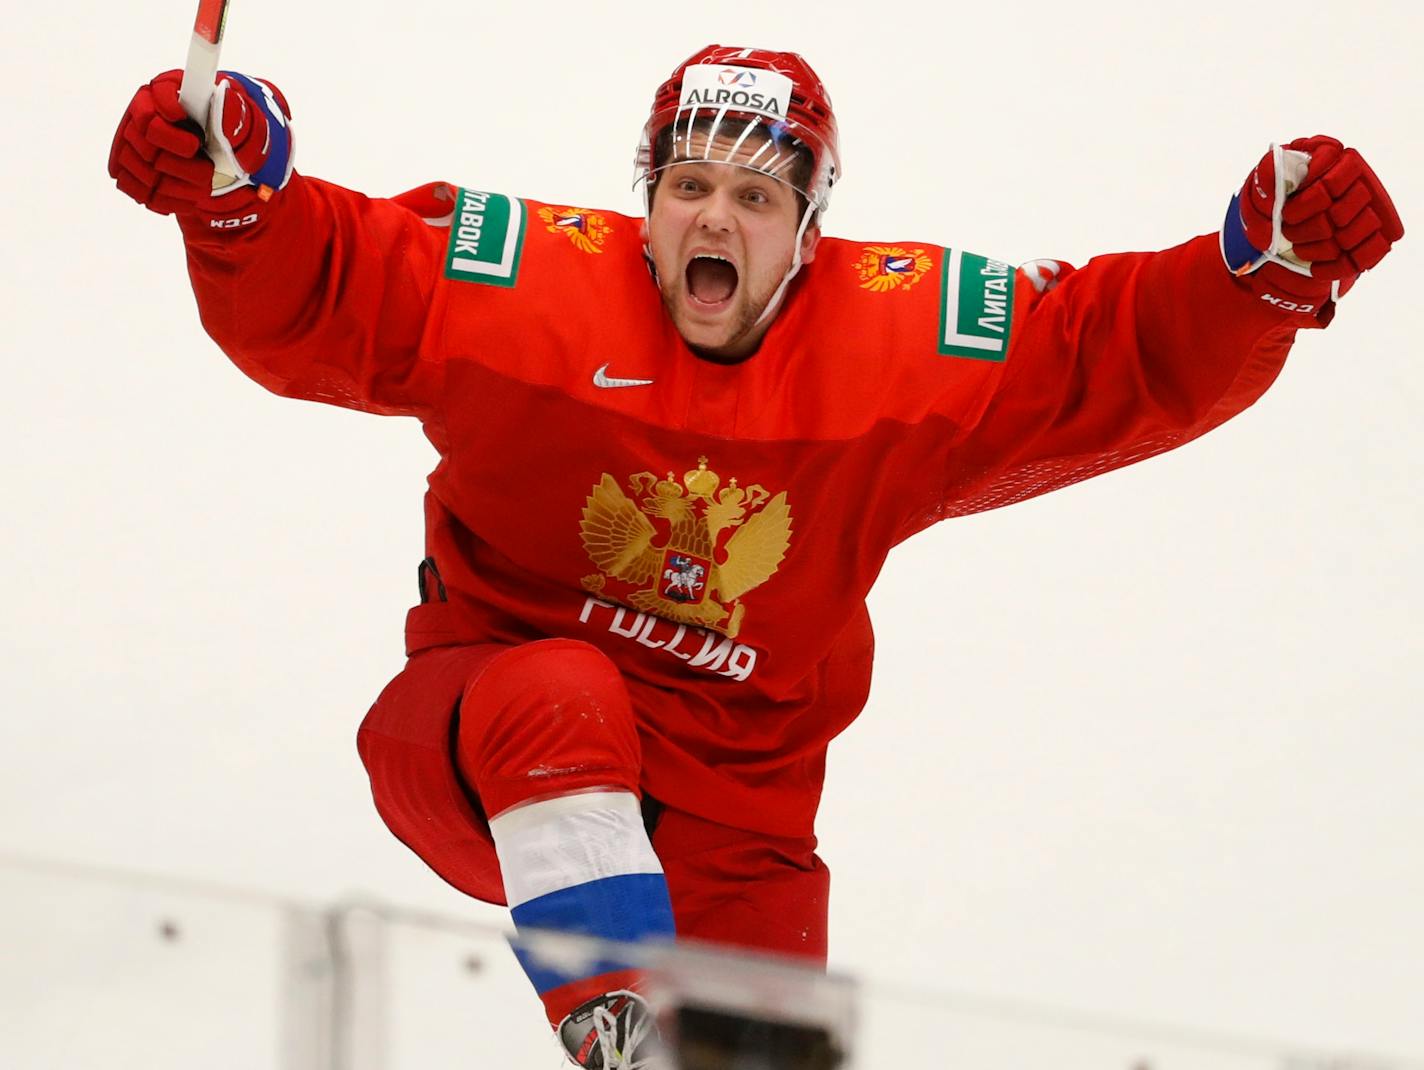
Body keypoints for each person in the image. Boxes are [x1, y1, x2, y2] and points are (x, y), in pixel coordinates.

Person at [109, 44, 1402, 1069]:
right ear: (648, 200)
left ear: (806, 227)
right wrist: (239, 200)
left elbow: (1105, 350)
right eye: (687, 184)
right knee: (563, 689)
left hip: (739, 816)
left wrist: (1257, 272)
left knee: (769, 1052)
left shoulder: (907, 344)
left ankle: (666, 1018)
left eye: (753, 192)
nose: (712, 215)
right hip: (488, 748)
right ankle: (613, 1013)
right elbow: (331, 285)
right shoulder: (521, 288)